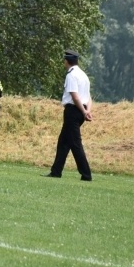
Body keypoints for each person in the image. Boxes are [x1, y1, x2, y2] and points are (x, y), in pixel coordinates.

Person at [44, 49, 93, 181]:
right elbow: (88, 97)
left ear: (66, 61)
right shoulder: (83, 75)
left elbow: (75, 96)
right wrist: (87, 111)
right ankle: (56, 171)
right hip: (82, 110)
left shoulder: (71, 75)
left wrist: (83, 111)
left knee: (75, 143)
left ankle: (86, 174)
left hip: (73, 110)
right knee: (63, 142)